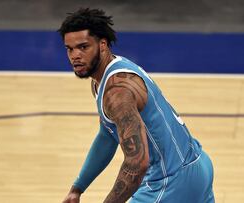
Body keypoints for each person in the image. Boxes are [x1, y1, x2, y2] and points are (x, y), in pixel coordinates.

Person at [58, 8, 214, 203]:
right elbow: (107, 136)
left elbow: (137, 163)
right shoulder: (106, 76)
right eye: (69, 49)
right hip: (197, 165)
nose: (75, 56)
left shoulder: (117, 92)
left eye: (83, 47)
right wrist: (78, 187)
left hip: (169, 181)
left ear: (103, 45)